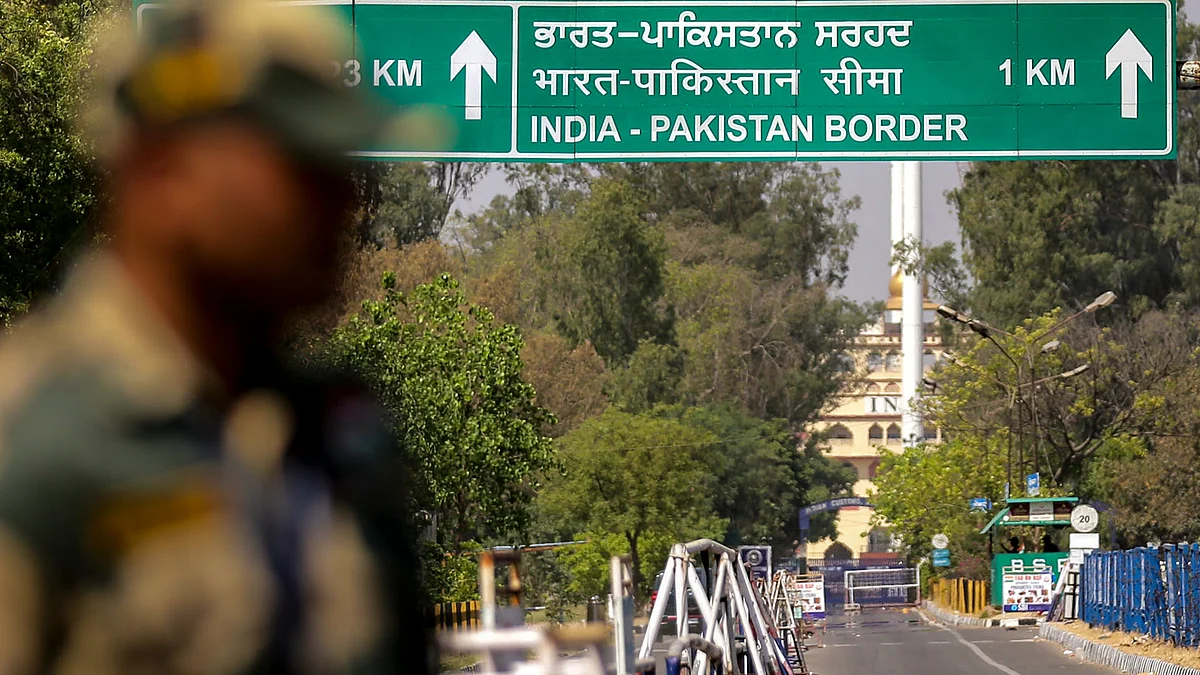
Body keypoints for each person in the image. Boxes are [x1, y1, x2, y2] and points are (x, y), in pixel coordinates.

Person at [0, 1, 432, 673]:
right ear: (164, 173)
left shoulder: (342, 435)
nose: (345, 201)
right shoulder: (30, 432)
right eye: (301, 168)